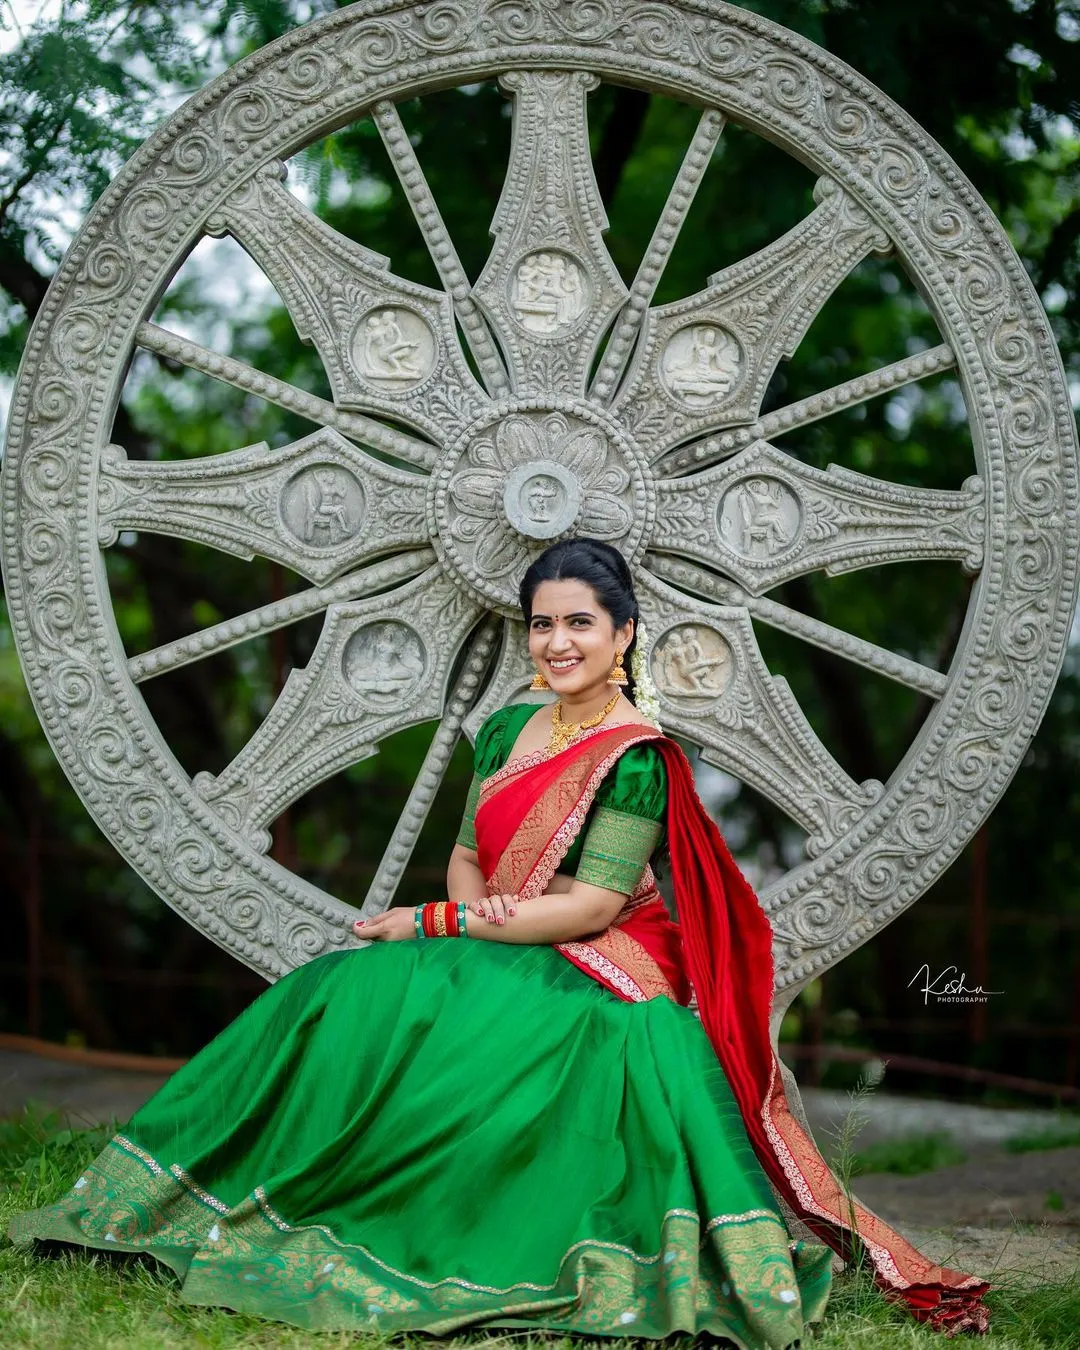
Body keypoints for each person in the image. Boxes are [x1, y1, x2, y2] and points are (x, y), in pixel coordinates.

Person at [7, 538, 990, 1343]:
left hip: (601, 966)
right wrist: (456, 913)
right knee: (335, 995)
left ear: (623, 636)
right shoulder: (507, 725)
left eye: (580, 624)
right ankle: (207, 1195)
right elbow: (466, 853)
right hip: (497, 930)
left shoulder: (636, 758)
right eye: (543, 623)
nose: (558, 642)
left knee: (464, 1028)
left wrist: (439, 925)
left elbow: (591, 908)